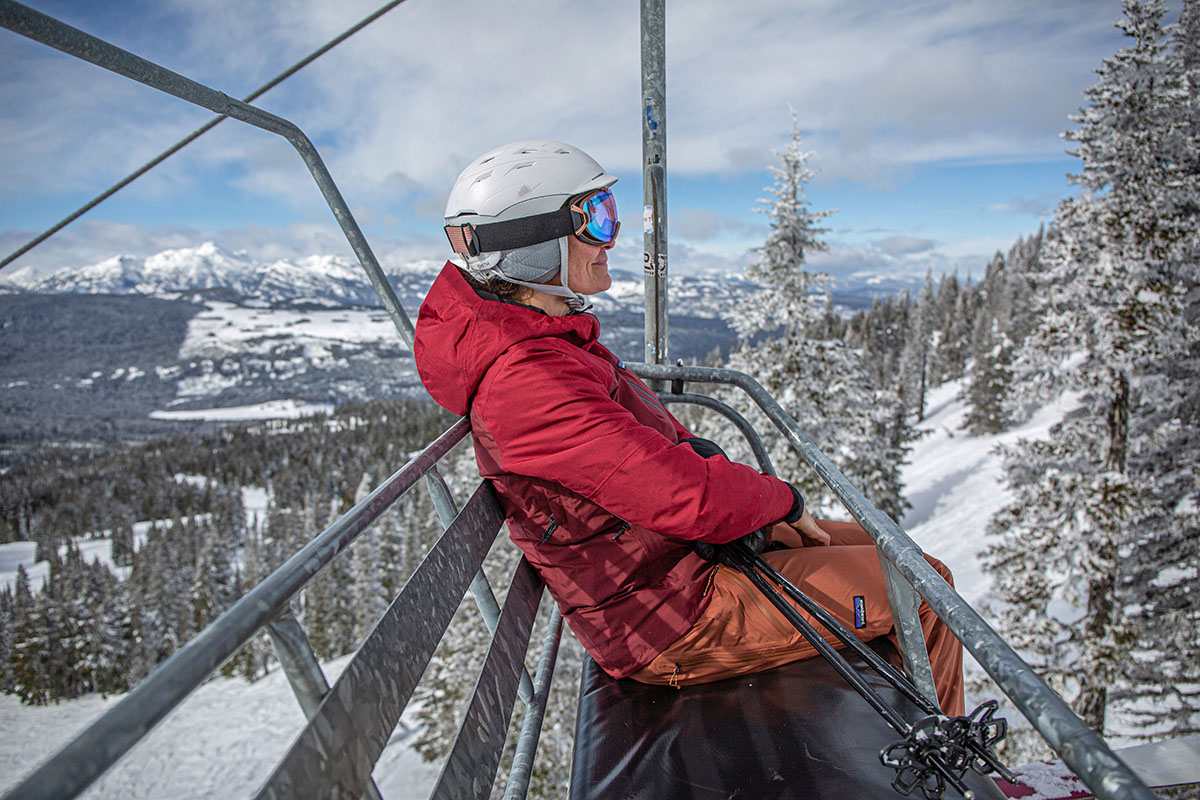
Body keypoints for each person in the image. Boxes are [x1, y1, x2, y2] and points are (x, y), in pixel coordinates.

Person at [414, 139, 964, 716]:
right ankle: (951, 771)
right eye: (594, 217)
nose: (613, 234)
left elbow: (644, 463)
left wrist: (742, 495)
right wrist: (781, 502)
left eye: (610, 211)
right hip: (669, 617)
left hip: (678, 564)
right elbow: (681, 494)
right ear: (529, 243)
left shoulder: (543, 343)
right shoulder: (527, 380)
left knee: (908, 560)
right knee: (927, 591)